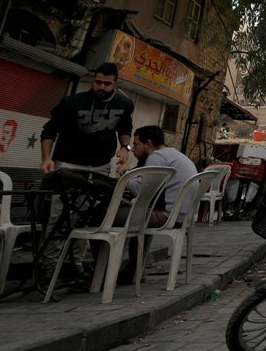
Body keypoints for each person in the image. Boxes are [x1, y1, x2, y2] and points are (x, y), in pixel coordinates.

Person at [40, 62, 134, 281]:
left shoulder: (124, 103)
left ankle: (77, 265)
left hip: (99, 166)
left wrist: (124, 148)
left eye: (107, 84)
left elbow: (125, 128)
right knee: (59, 216)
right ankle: (49, 267)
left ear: (115, 83)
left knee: (86, 217)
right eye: (98, 82)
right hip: (68, 164)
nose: (101, 87)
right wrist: (46, 159)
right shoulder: (73, 102)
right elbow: (49, 130)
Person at [123, 125, 199, 224]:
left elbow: (141, 191)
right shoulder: (174, 154)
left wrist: (125, 173)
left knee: (107, 212)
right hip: (185, 217)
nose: (133, 149)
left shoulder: (157, 156)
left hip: (167, 218)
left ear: (148, 143)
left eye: (136, 144)